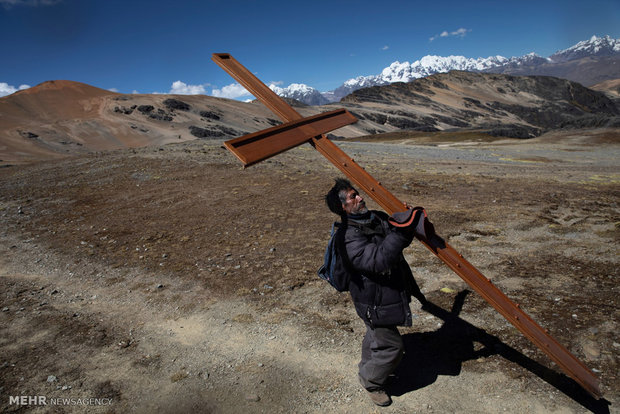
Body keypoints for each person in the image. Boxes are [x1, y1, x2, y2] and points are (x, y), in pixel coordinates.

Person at [324, 178, 426, 407]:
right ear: (343, 207)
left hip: (381, 296)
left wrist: (403, 220)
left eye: (357, 193)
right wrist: (401, 232)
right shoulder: (348, 237)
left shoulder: (375, 217)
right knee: (392, 347)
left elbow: (394, 234)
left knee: (375, 334)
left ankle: (368, 367)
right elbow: (379, 260)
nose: (360, 197)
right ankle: (371, 380)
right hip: (372, 301)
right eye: (353, 197)